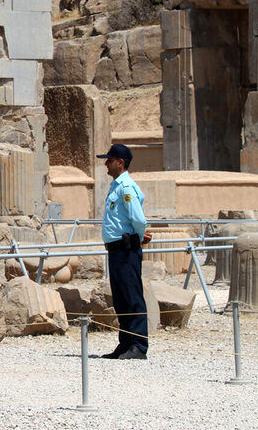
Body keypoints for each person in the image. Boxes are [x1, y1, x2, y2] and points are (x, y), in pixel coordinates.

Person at [96, 144, 152, 360]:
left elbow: (138, 219)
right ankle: (126, 342)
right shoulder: (116, 186)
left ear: (120, 163)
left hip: (126, 247)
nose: (106, 164)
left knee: (132, 295)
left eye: (109, 160)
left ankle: (138, 345)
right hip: (116, 248)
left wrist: (139, 236)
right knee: (121, 298)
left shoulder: (126, 187)